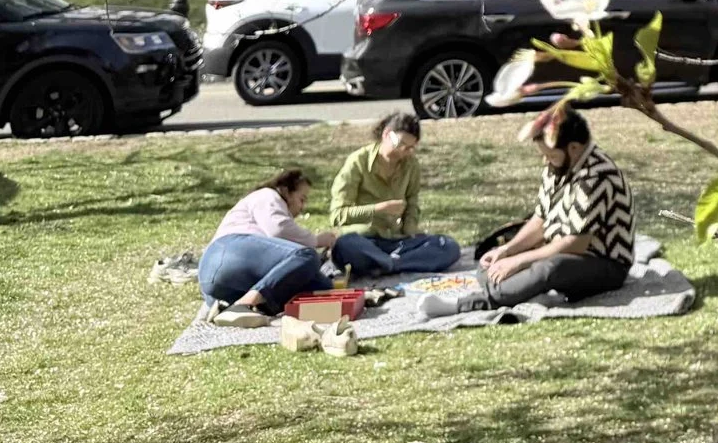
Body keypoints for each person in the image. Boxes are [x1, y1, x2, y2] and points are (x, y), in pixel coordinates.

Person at [420, 107, 638, 315]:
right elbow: (540, 219)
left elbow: (576, 244)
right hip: (557, 248)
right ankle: (523, 291)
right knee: (494, 259)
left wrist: (520, 261)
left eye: (551, 155)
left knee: (551, 267)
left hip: (604, 263)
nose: (546, 161)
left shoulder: (597, 176)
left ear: (573, 147)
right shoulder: (560, 164)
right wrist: (507, 251)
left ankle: (468, 303)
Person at [328, 109, 462, 278]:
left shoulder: (411, 164)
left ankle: (389, 265)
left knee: (448, 245)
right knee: (344, 245)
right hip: (365, 241)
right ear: (386, 135)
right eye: (401, 145)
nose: (404, 152)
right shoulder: (357, 162)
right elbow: (337, 216)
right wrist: (379, 209)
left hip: (398, 242)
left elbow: (412, 202)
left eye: (410, 148)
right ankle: (395, 263)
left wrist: (410, 228)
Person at [199, 167, 340, 326]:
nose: (303, 207)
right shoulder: (268, 195)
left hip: (224, 286)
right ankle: (245, 304)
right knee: (306, 256)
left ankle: (231, 306)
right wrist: (315, 240)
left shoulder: (271, 207)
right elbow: (278, 229)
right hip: (226, 253)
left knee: (320, 284)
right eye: (302, 199)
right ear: (286, 191)